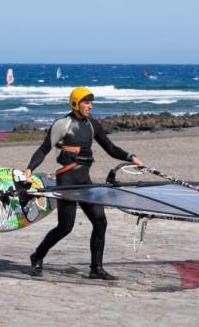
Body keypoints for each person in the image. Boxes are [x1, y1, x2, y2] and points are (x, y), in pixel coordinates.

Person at [23, 87, 142, 280]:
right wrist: (29, 169)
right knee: (65, 227)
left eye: (91, 102)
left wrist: (131, 157)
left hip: (85, 181)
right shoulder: (63, 124)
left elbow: (110, 148)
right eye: (86, 102)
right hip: (67, 181)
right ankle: (37, 256)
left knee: (100, 221)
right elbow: (44, 149)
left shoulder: (92, 125)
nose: (90, 106)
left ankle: (96, 268)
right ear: (75, 103)